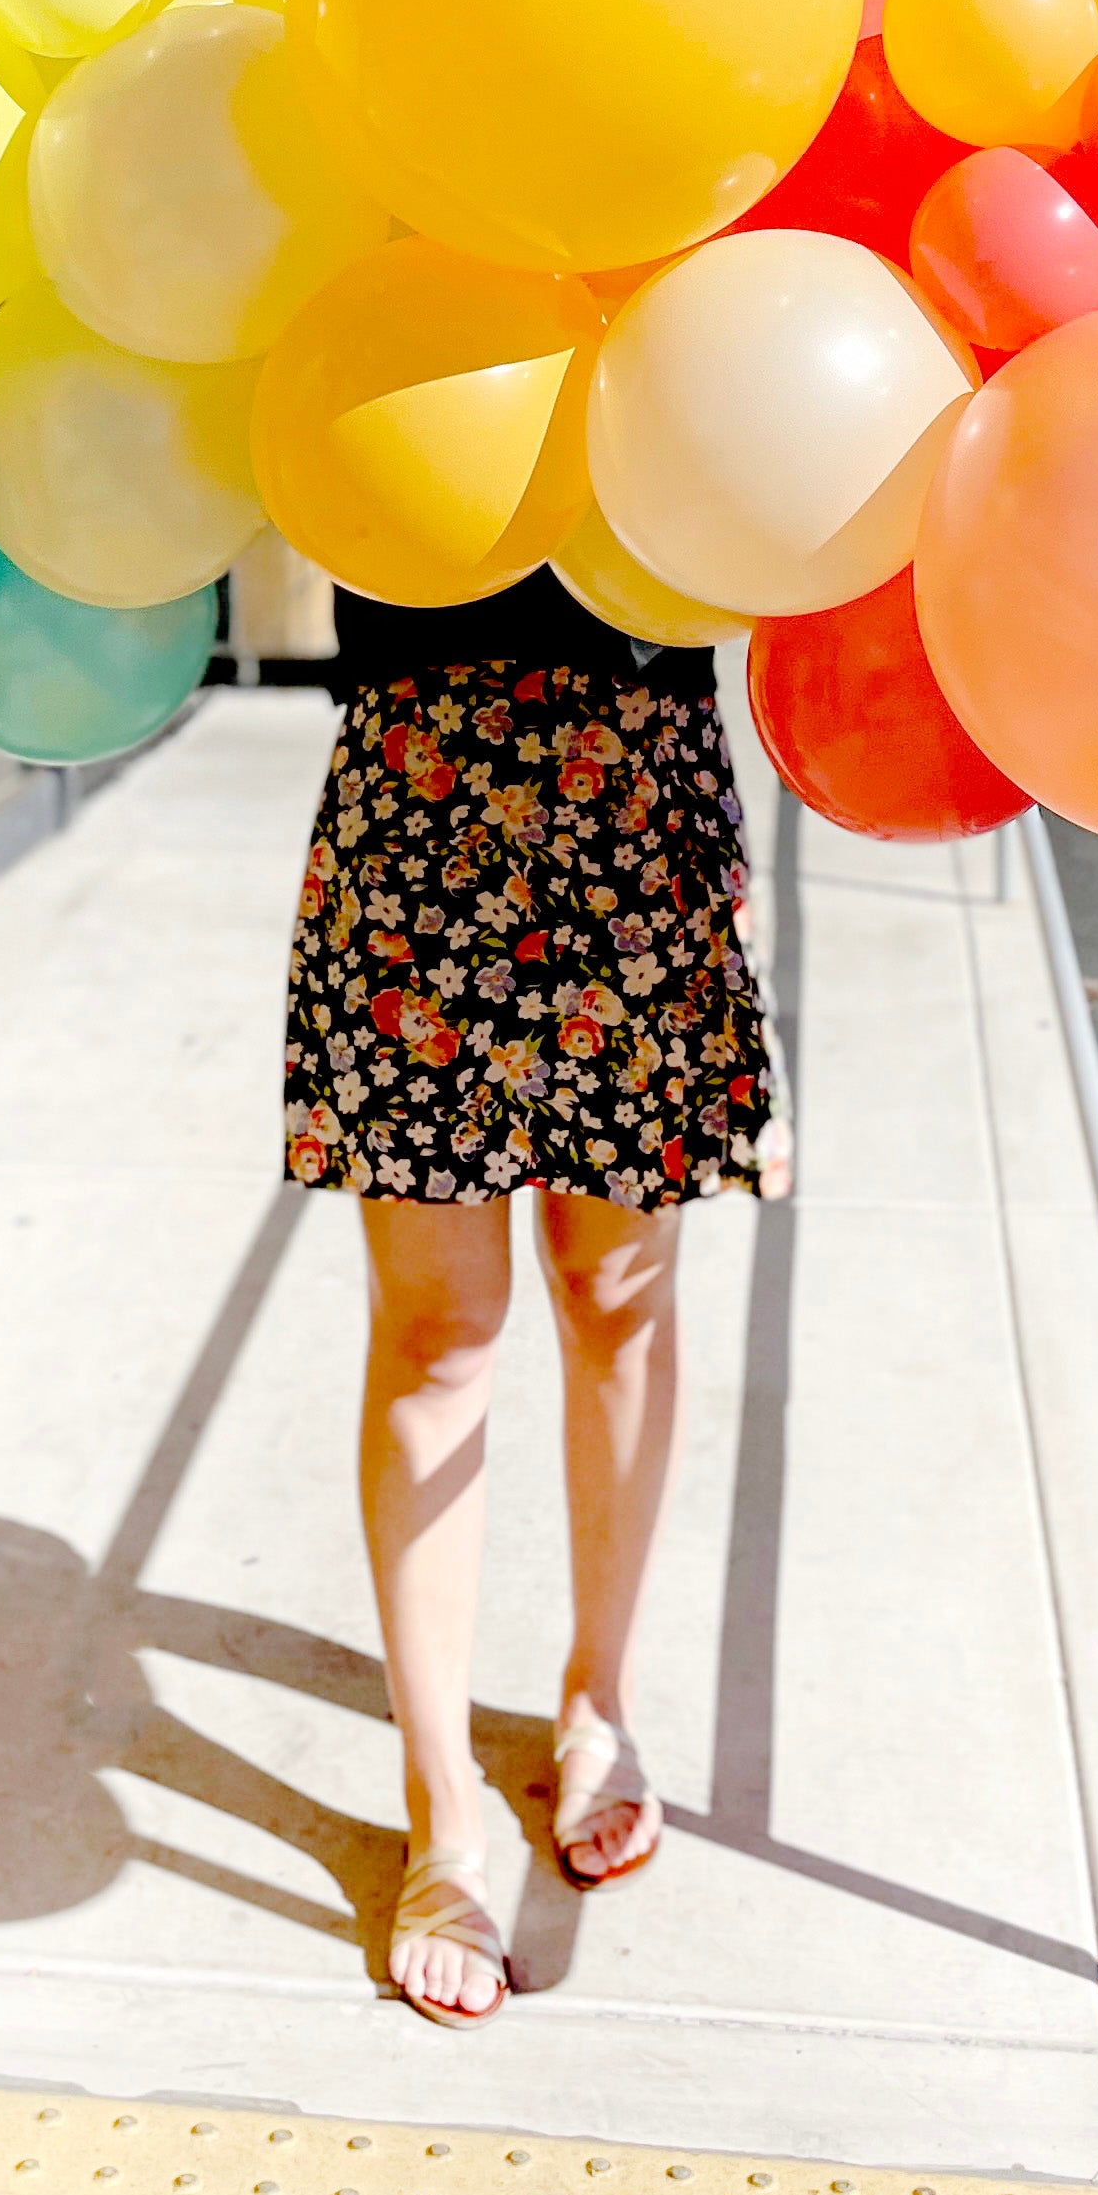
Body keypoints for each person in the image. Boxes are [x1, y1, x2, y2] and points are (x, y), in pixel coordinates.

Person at [283, 567, 779, 2025]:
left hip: (641, 759)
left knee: (617, 1291)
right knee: (438, 1334)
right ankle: (442, 1810)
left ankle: (597, 1699)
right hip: (424, 762)